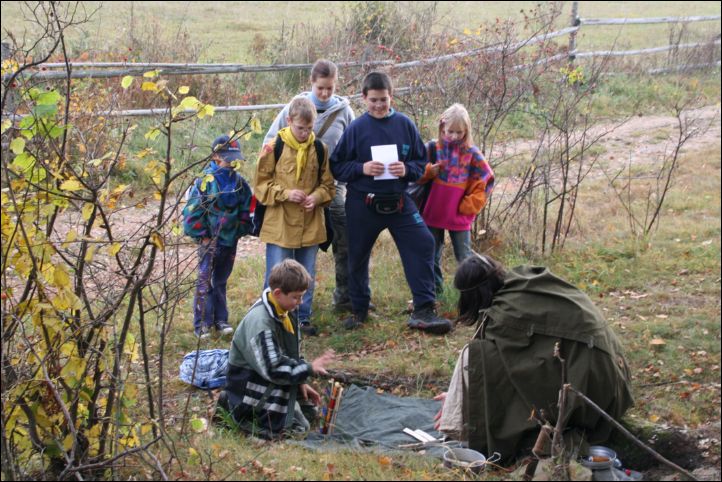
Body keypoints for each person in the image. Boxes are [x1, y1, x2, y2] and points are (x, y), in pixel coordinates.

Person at [434, 254, 634, 462]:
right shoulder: (524, 281)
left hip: (594, 393)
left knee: (475, 355)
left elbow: (494, 364)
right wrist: (460, 395)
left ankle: (456, 425)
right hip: (616, 382)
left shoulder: (504, 315)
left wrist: (466, 401)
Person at [330, 71, 452, 334]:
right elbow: (337, 166)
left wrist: (406, 170)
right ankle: (359, 310)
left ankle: (424, 310)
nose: (378, 105)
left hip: (399, 200)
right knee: (357, 255)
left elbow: (422, 164)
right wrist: (362, 168)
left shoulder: (405, 125)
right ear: (363, 98)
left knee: (423, 241)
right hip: (363, 202)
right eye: (373, 100)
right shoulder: (356, 129)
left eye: (383, 100)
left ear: (391, 97)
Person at [264, 59, 359, 313]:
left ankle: (345, 296)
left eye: (330, 88)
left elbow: (355, 144)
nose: (325, 93)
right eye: (320, 88)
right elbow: (270, 141)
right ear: (312, 84)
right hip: (291, 185)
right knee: (289, 242)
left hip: (331, 184)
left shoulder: (344, 112)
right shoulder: (294, 109)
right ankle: (282, 303)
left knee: (342, 229)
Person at [216, 259, 335, 439]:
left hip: (267, 379)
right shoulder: (261, 323)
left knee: (310, 413)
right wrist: (308, 369)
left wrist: (300, 382)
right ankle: (236, 414)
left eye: (302, 296)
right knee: (298, 428)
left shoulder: (285, 311)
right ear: (278, 293)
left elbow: (291, 353)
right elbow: (273, 369)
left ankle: (287, 406)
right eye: (296, 297)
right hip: (248, 387)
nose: (300, 302)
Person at [254, 96, 336, 337]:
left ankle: (302, 318)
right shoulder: (273, 147)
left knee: (306, 273)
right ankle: (271, 319)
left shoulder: (320, 149)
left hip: (310, 224)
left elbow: (329, 186)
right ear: (289, 121)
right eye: (300, 128)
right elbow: (260, 186)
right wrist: (286, 194)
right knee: (277, 274)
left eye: (309, 129)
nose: (304, 133)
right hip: (280, 224)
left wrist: (317, 198)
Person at [416, 104, 495, 294]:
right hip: (433, 211)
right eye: (450, 131)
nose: (454, 136)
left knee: (465, 257)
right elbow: (414, 171)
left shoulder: (471, 153)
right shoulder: (432, 148)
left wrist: (471, 204)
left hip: (459, 214)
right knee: (431, 255)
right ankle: (435, 293)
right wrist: (427, 172)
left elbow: (487, 179)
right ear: (442, 126)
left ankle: (470, 294)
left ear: (466, 130)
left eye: (459, 132)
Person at [183, 135, 252, 339]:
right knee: (204, 281)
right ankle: (202, 323)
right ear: (215, 156)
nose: (231, 162)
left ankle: (221, 320)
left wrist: (240, 230)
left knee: (221, 280)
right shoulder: (205, 182)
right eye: (227, 158)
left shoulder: (239, 182)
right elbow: (192, 212)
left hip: (230, 241)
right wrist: (203, 236)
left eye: (234, 158)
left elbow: (247, 208)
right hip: (209, 242)